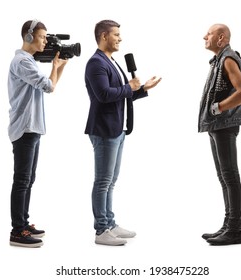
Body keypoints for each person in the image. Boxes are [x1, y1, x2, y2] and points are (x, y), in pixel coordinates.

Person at [84, 19, 161, 246]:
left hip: (117, 129)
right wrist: (130, 87)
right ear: (103, 36)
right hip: (104, 130)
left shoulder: (111, 61)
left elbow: (122, 94)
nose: (120, 38)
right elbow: (104, 95)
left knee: (111, 181)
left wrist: (143, 88)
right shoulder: (95, 63)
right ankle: (101, 230)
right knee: (103, 181)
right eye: (116, 34)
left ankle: (110, 223)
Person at [8, 19, 68, 248]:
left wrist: (59, 66)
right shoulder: (23, 62)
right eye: (43, 37)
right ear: (29, 37)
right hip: (24, 127)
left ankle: (23, 223)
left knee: (28, 179)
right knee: (22, 180)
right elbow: (48, 86)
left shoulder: (28, 62)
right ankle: (17, 230)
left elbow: (50, 87)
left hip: (32, 127)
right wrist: (55, 67)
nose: (46, 41)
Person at [198, 24, 241, 245]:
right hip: (216, 126)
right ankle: (228, 225)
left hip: (224, 125)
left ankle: (235, 229)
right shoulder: (219, 59)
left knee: (230, 176)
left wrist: (218, 108)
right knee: (224, 177)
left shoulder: (228, 59)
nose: (204, 37)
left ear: (221, 38)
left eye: (208, 34)